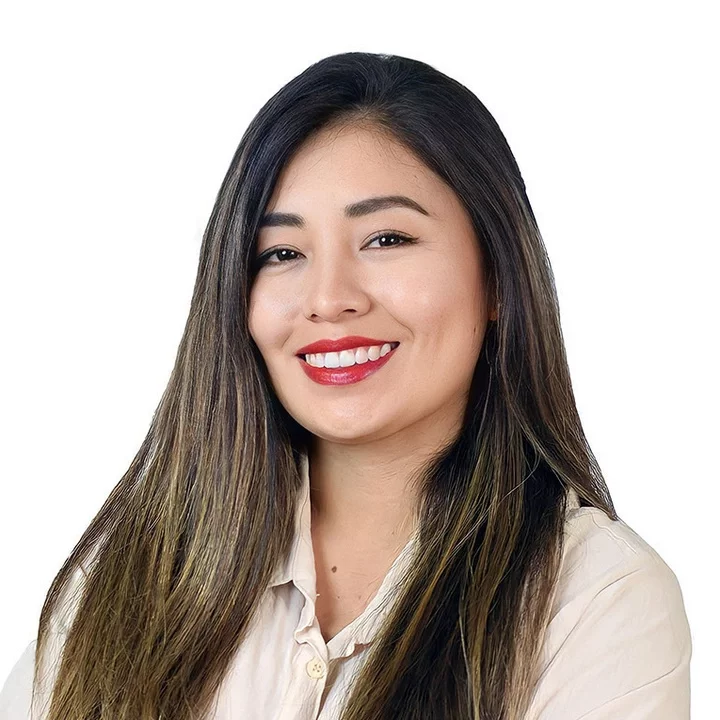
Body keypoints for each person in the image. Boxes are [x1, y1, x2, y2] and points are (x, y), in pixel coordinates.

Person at [0, 51, 691, 720]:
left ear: (498, 278)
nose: (329, 299)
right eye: (282, 253)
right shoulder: (123, 577)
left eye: (386, 240)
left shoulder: (595, 600)